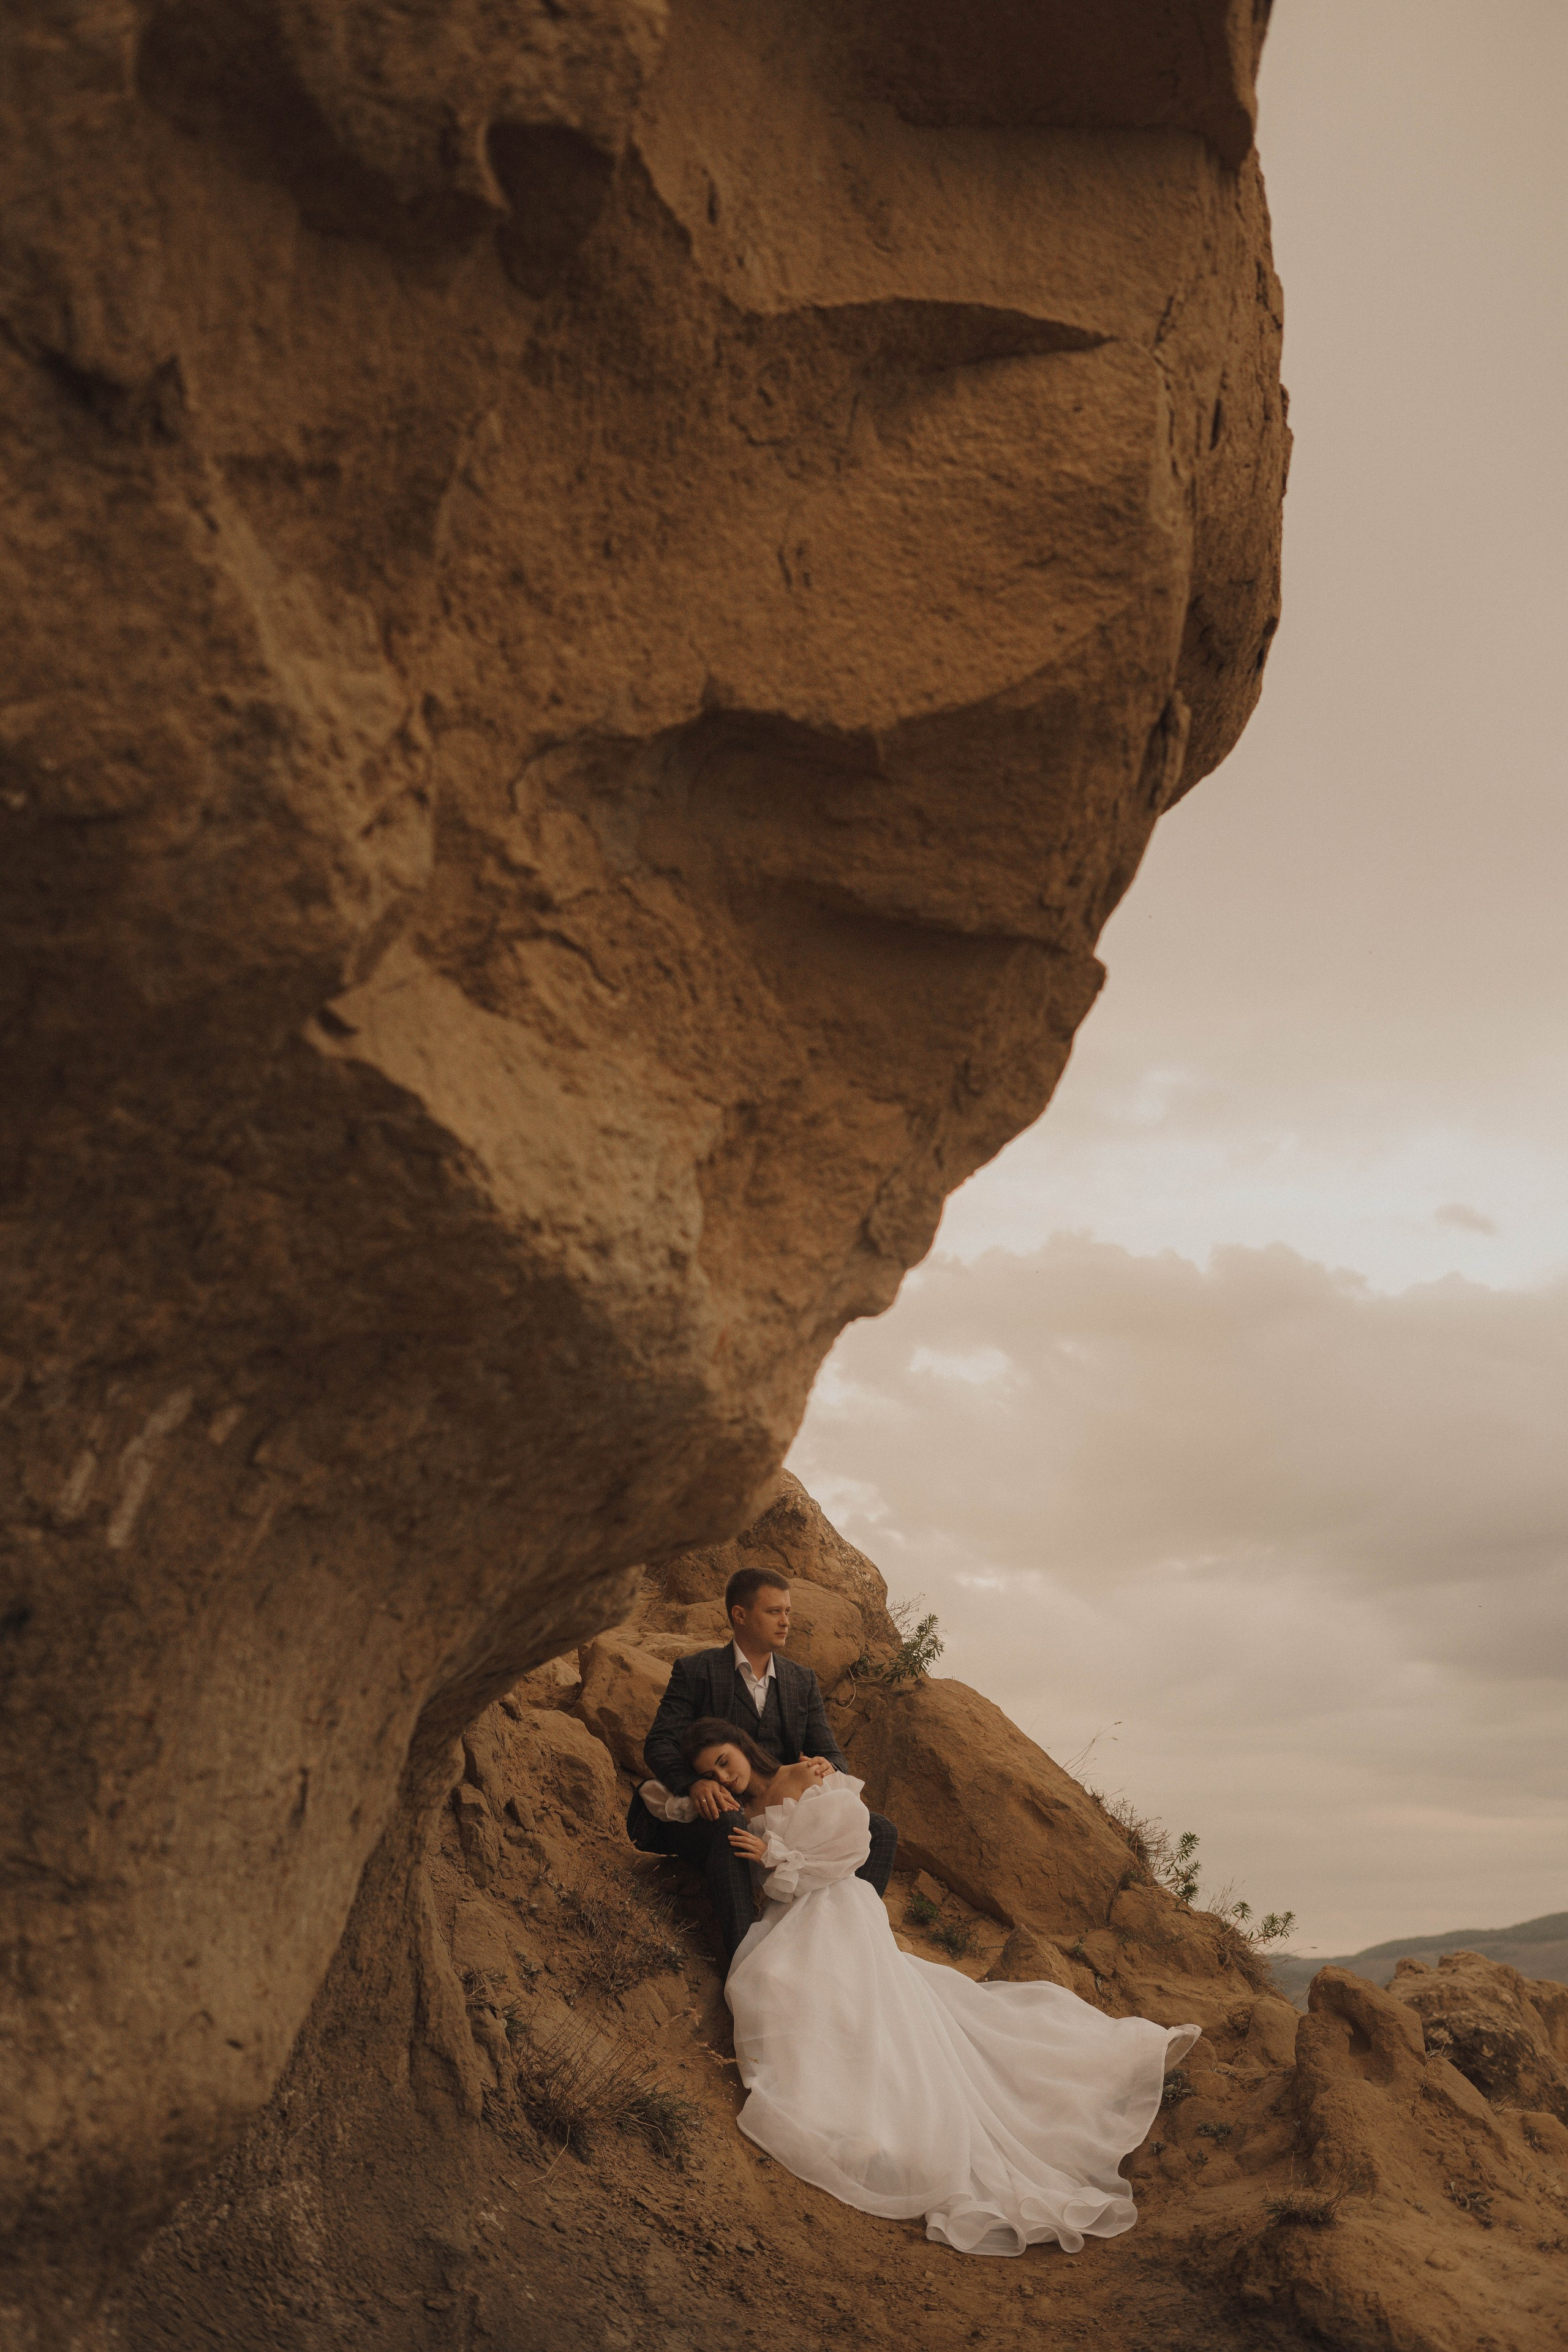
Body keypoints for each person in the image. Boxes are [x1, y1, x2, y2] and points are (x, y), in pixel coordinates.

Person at [679, 1725, 1201, 2260]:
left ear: (740, 1744)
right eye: (712, 1773)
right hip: (790, 1916)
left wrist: (773, 1855)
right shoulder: (736, 1805)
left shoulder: (808, 1773)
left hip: (839, 1904)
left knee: (864, 2000)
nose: (724, 1775)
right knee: (784, 1985)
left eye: (724, 1761)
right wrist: (697, 1795)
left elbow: (851, 1845)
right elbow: (664, 1808)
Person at [626, 1566, 898, 1956]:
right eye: (774, 1612)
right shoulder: (697, 1671)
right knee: (731, 1825)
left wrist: (828, 1765)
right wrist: (694, 1782)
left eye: (788, 1611)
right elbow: (659, 1743)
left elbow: (833, 1752)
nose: (786, 1622)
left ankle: (855, 1945)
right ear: (740, 1615)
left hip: (780, 1815)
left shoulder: (800, 1681)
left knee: (882, 1831)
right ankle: (741, 1959)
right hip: (718, 1814)